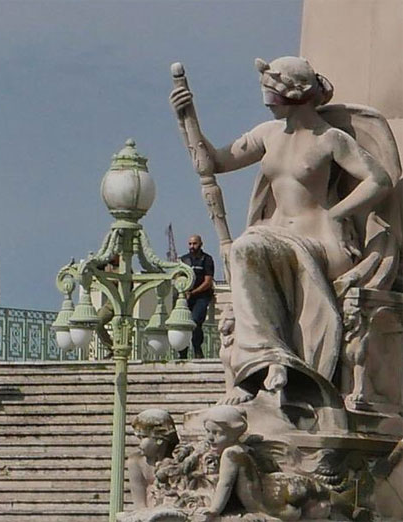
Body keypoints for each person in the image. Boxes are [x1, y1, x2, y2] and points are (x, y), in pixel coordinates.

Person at [170, 56, 399, 404]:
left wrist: (340, 213)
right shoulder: (268, 135)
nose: (268, 103)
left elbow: (379, 180)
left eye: (272, 95)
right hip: (273, 238)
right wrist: (187, 119)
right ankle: (267, 359)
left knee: (247, 248)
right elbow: (214, 162)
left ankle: (272, 359)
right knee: (249, 249)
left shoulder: (330, 139)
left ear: (297, 94)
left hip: (321, 241)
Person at [197, 406, 331, 521]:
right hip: (273, 499)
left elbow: (225, 484)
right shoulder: (245, 448)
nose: (210, 438)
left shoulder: (230, 454)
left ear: (233, 433)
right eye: (208, 431)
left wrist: (214, 510)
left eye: (217, 433)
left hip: (260, 507)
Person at [127, 409, 179, 509]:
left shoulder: (176, 460)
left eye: (143, 437)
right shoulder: (136, 462)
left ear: (159, 440)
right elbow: (139, 503)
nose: (139, 444)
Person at [179, 235, 214, 359]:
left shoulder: (207, 259)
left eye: (194, 243)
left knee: (195, 321)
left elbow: (208, 282)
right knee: (182, 322)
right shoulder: (184, 260)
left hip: (201, 296)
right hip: (186, 297)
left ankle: (197, 349)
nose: (192, 246)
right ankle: (182, 351)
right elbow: (179, 276)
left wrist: (193, 292)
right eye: (190, 244)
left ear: (200, 244)